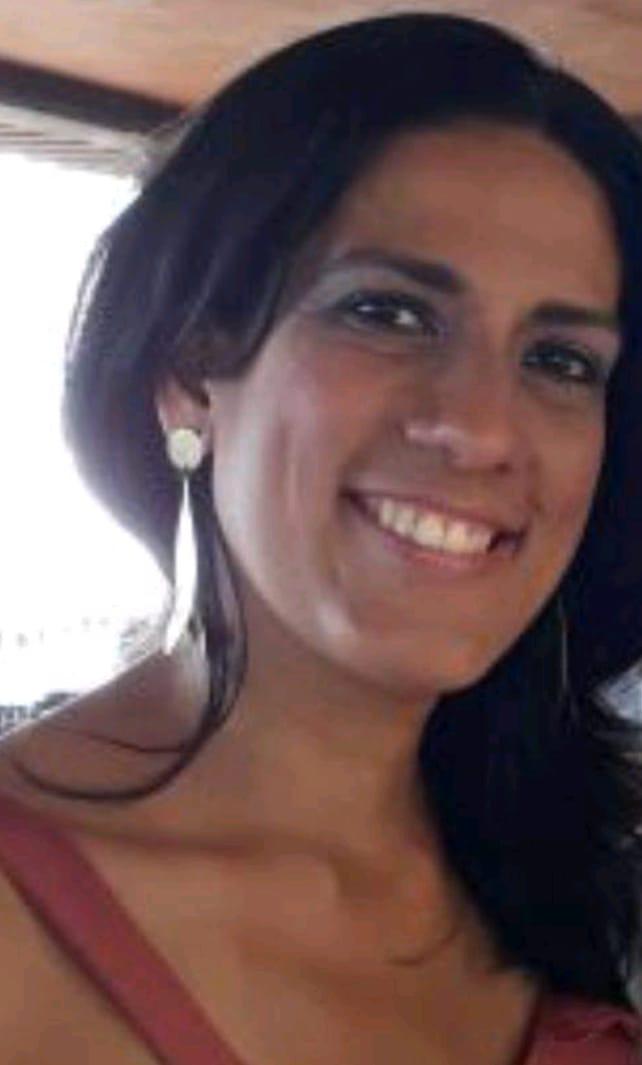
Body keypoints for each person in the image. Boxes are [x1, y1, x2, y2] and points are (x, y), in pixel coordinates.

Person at [0, 11, 640, 1063]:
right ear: (190, 367)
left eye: (560, 362)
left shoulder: (583, 877)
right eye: (388, 313)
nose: (482, 428)